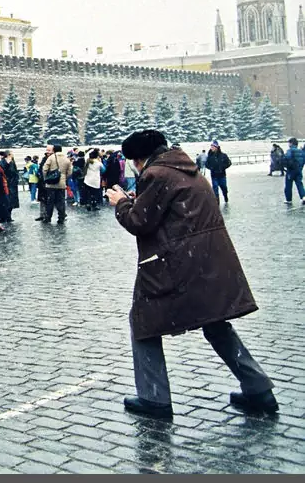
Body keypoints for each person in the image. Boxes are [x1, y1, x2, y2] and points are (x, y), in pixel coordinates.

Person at [108, 130, 278, 419]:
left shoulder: (156, 175)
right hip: (209, 264)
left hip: (178, 266)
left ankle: (154, 398)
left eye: (134, 162)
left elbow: (139, 221)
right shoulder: (185, 168)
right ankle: (258, 389)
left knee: (143, 321)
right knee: (215, 323)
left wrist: (121, 202)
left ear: (139, 159)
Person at [39, 144, 72, 224]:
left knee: (50, 202)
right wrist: (64, 178)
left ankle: (48, 218)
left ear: (54, 150)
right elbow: (70, 172)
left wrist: (47, 178)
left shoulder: (51, 158)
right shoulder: (66, 159)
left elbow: (44, 169)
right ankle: (61, 218)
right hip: (61, 184)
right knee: (61, 201)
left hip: (51, 184)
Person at [281, 137, 305, 205]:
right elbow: (303, 161)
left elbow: (287, 158)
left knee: (288, 185)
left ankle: (289, 199)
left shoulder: (290, 150)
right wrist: (300, 167)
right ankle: (303, 197)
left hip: (291, 171)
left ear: (291, 143)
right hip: (299, 170)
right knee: (299, 184)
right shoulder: (301, 151)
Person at [1, 152, 20, 221]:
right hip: (8, 183)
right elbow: (3, 171)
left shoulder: (11, 162)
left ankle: (8, 216)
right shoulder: (3, 162)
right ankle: (6, 216)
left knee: (11, 201)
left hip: (12, 183)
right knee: (8, 201)